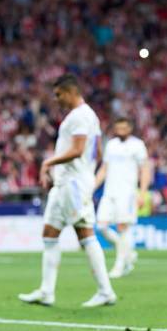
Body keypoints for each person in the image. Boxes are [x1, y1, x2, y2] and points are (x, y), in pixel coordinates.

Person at [19, 74, 116, 307]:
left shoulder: (80, 116)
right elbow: (98, 153)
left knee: (85, 235)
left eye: (58, 94)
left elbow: (78, 149)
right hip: (67, 183)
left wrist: (47, 163)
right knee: (49, 235)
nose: (56, 99)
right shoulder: (88, 116)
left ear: (71, 91)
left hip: (73, 184)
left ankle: (105, 291)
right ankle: (46, 291)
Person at [95, 117, 150, 278]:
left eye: (124, 128)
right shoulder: (111, 145)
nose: (121, 131)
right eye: (118, 128)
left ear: (130, 128)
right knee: (101, 226)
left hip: (127, 193)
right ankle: (128, 252)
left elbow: (145, 170)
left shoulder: (137, 145)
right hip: (109, 192)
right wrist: (92, 187)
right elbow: (104, 169)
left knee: (123, 228)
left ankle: (119, 266)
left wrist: (143, 192)